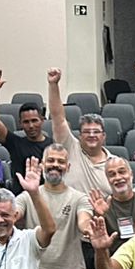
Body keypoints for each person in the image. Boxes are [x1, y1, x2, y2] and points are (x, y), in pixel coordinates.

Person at [15, 146, 91, 269]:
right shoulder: (27, 195)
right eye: (50, 160)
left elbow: (84, 221)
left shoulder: (79, 198)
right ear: (42, 165)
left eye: (61, 161)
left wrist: (89, 228)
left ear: (68, 167)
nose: (55, 165)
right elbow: (14, 213)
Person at [47, 67, 114, 199]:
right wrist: (53, 85)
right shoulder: (70, 148)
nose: (91, 135)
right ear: (80, 136)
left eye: (96, 132)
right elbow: (58, 118)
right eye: (87, 132)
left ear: (104, 136)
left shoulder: (115, 163)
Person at [0, 66, 51, 178]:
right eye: (26, 122)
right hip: (19, 189)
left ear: (42, 120)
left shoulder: (52, 146)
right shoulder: (15, 143)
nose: (31, 125)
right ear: (20, 123)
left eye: (34, 120)